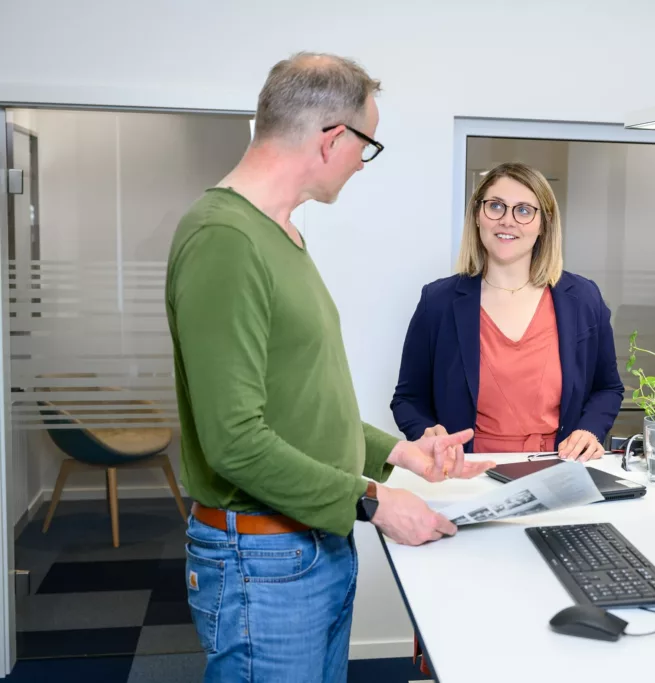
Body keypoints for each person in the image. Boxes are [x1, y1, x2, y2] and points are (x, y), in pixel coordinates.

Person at [165, 53, 493, 683]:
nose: (361, 164)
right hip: (264, 560)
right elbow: (234, 442)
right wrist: (374, 501)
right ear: (332, 138)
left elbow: (300, 406)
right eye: (365, 146)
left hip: (309, 544)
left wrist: (400, 454)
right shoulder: (225, 240)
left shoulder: (280, 234)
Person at [390, 162, 624, 461]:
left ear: (544, 224)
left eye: (524, 210)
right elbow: (408, 399)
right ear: (478, 215)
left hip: (559, 467)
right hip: (467, 470)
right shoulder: (438, 301)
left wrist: (590, 430)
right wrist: (424, 431)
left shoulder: (583, 298)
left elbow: (607, 388)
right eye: (496, 206)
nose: (507, 221)